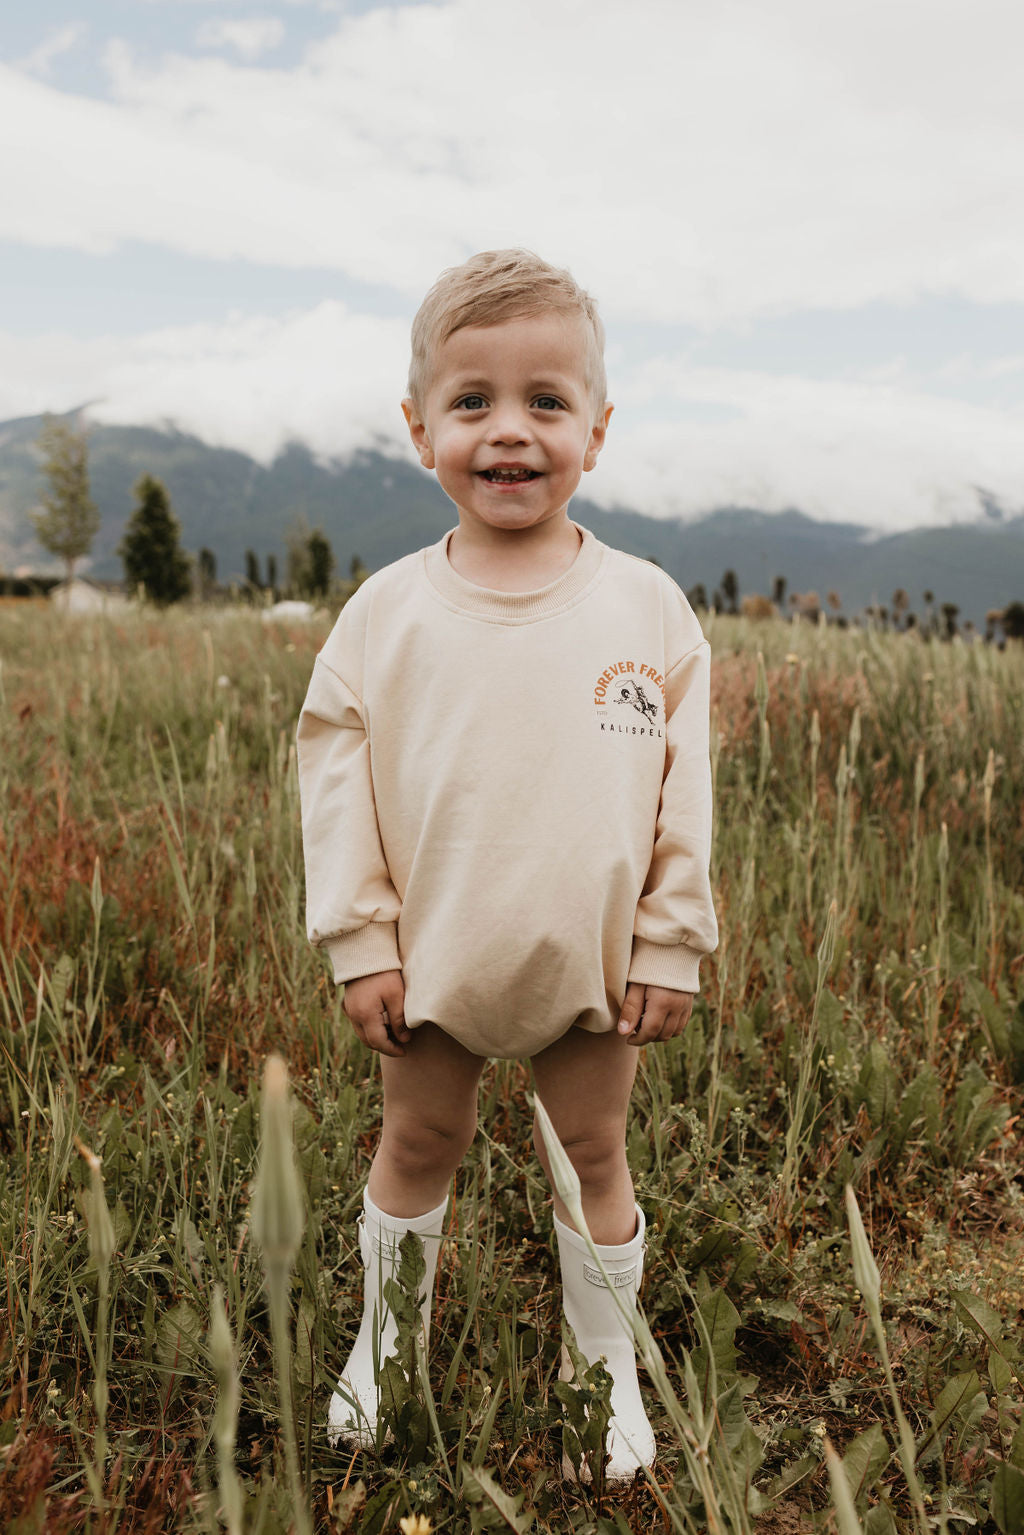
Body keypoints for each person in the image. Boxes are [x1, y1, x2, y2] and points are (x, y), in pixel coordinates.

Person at [296, 249, 718, 1481]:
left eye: (546, 401)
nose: (509, 433)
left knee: (593, 1152)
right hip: (433, 956)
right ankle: (385, 1344)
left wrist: (669, 938)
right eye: (472, 401)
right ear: (419, 423)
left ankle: (607, 1368)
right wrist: (359, 938)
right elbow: (334, 781)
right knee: (417, 1139)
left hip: (592, 965)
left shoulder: (647, 608)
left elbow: (681, 796)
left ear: (597, 424)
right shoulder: (384, 613)